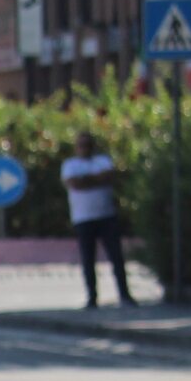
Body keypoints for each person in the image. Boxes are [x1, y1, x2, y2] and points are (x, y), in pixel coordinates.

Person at [60, 130, 138, 310]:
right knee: (88, 260)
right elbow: (74, 184)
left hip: (106, 216)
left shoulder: (102, 161)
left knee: (116, 258)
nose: (84, 149)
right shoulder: (70, 165)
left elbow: (108, 177)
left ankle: (124, 294)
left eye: (88, 145)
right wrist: (95, 180)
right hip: (83, 219)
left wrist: (87, 180)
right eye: (81, 145)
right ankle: (92, 297)